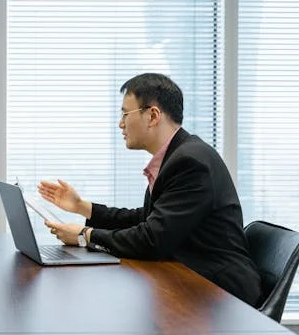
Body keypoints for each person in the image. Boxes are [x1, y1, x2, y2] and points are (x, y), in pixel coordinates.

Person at [38, 73, 262, 306]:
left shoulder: (191, 162)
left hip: (221, 294)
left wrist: (85, 236)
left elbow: (152, 239)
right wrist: (82, 207)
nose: (120, 123)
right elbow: (146, 219)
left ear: (153, 115)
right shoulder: (176, 157)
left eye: (125, 114)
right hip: (192, 280)